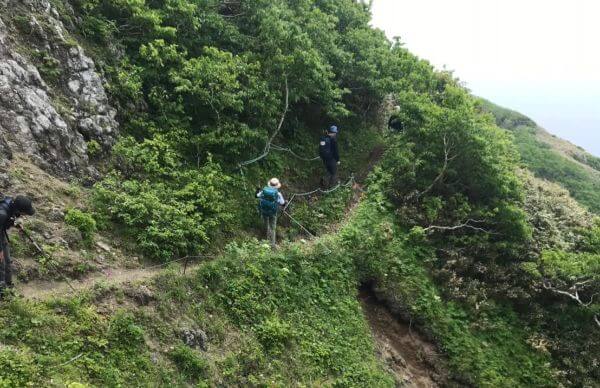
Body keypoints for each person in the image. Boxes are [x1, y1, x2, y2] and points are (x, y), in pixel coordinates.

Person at [0, 195, 35, 295]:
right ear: (19, 209)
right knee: (1, 263)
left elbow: (8, 219)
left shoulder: (12, 205)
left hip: (1, 233)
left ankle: (8, 286)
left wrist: (15, 224)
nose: (25, 214)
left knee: (7, 261)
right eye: (25, 212)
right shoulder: (2, 213)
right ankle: (2, 292)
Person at [256, 178, 285, 247]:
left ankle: (265, 242)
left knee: (266, 226)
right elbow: (282, 203)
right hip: (273, 213)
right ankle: (272, 245)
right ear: (277, 186)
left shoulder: (264, 191)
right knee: (273, 228)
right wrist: (284, 202)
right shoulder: (278, 193)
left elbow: (256, 196)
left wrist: (257, 190)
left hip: (264, 211)